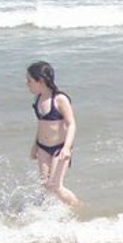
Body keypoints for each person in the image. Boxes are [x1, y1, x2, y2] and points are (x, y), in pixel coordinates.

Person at [26, 61, 80, 207]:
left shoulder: (59, 99)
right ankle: (47, 211)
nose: (27, 84)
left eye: (29, 80)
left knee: (56, 186)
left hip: (59, 148)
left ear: (40, 81)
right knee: (45, 186)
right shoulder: (38, 98)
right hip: (43, 147)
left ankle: (78, 207)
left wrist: (67, 148)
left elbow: (71, 124)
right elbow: (41, 125)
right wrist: (35, 146)